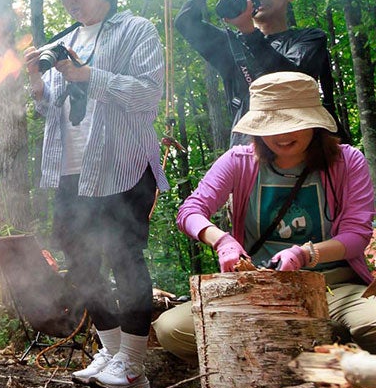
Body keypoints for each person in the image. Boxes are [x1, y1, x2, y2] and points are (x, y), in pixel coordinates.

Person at [24, 0, 168, 388]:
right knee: (80, 262)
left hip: (121, 166)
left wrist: (89, 76)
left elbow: (147, 94)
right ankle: (109, 349)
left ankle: (133, 362)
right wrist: (35, 82)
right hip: (71, 171)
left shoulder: (135, 30)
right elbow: (50, 109)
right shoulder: (63, 38)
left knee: (125, 260)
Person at [154, 71, 376, 358]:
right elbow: (190, 211)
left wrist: (306, 254)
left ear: (314, 124)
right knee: (173, 329)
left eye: (293, 123)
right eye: (271, 125)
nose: (282, 135)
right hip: (258, 287)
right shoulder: (238, 161)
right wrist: (223, 242)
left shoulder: (346, 161)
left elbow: (357, 236)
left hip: (333, 286)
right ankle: (312, 346)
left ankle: (322, 343)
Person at [175, 0, 348, 144]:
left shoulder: (310, 38)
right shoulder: (231, 44)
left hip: (299, 148)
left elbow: (287, 82)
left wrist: (249, 32)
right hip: (247, 153)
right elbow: (185, 21)